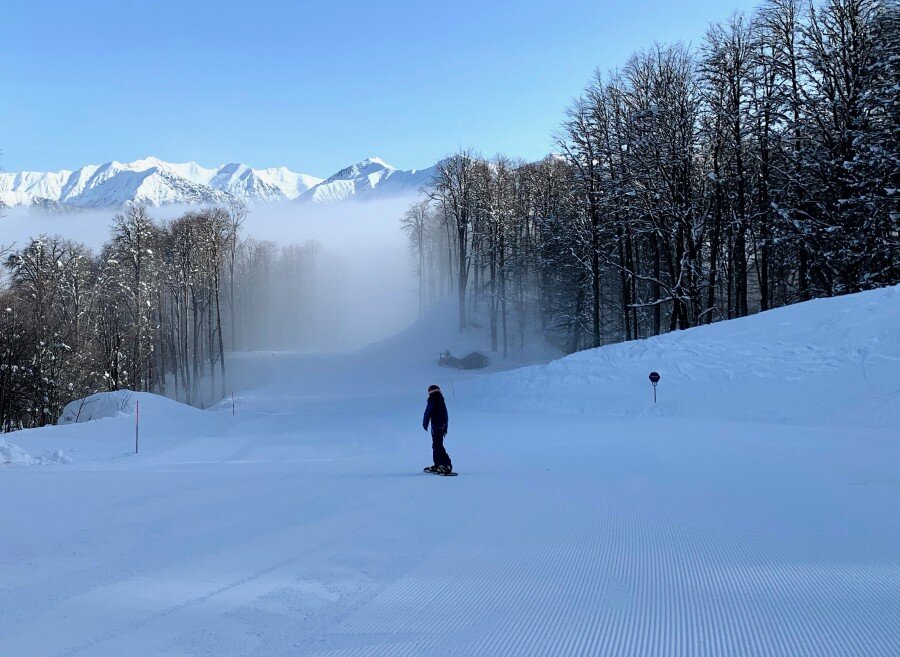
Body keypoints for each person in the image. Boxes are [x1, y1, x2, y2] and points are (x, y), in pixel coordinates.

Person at [422, 384, 453, 474]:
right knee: (436, 446)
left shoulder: (434, 400)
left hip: (437, 427)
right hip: (438, 427)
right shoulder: (440, 400)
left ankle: (446, 465)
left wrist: (425, 424)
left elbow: (427, 413)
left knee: (437, 446)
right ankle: (438, 464)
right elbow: (445, 415)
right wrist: (445, 427)